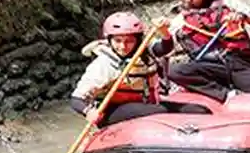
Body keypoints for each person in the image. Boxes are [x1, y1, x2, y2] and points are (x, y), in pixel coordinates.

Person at [69, 11, 212, 127]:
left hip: (146, 104)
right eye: (117, 41)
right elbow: (76, 99)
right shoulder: (103, 64)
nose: (123, 47)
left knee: (200, 110)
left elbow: (165, 47)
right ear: (109, 40)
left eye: (129, 41)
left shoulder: (144, 51)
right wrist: (88, 112)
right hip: (113, 111)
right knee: (162, 111)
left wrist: (164, 32)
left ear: (137, 40)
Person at [166, 0, 250, 102]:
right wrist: (163, 33)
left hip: (238, 64)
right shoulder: (180, 20)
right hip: (208, 67)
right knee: (174, 70)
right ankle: (226, 95)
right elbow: (162, 48)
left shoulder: (227, 3)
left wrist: (242, 17)